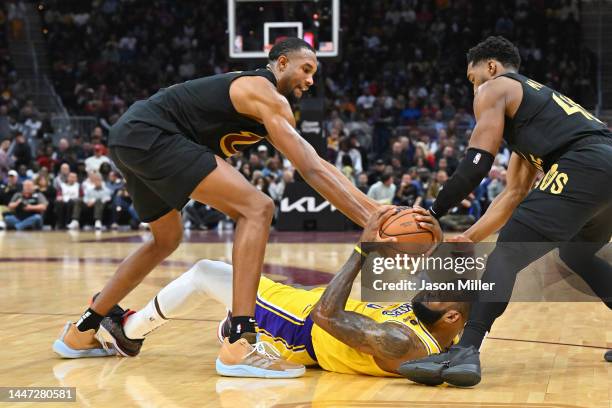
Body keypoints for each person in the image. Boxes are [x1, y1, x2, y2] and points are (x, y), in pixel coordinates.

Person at [53, 38, 385, 379]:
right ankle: (240, 341)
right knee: (257, 208)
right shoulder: (264, 91)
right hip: (153, 134)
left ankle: (81, 331)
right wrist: (370, 218)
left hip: (130, 136)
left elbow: (316, 162)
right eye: (306, 69)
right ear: (282, 63)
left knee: (166, 239)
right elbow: (309, 168)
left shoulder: (261, 100)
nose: (311, 79)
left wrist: (375, 208)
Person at [400, 36, 612, 387]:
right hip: (603, 165)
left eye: (474, 79)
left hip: (583, 164)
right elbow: (512, 195)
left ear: (492, 68)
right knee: (577, 253)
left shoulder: (496, 87)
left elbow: (475, 165)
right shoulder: (535, 114)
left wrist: (434, 211)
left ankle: (466, 349)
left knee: (508, 255)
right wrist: (469, 236)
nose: (475, 90)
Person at [82, 207, 452, 379]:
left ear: (452, 317)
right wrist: (434, 242)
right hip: (297, 308)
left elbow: (327, 316)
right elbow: (428, 273)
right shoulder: (429, 322)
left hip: (299, 326)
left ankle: (128, 334)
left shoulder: (402, 341)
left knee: (204, 272)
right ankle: (234, 329)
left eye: (441, 292)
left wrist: (362, 250)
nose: (433, 286)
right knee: (224, 286)